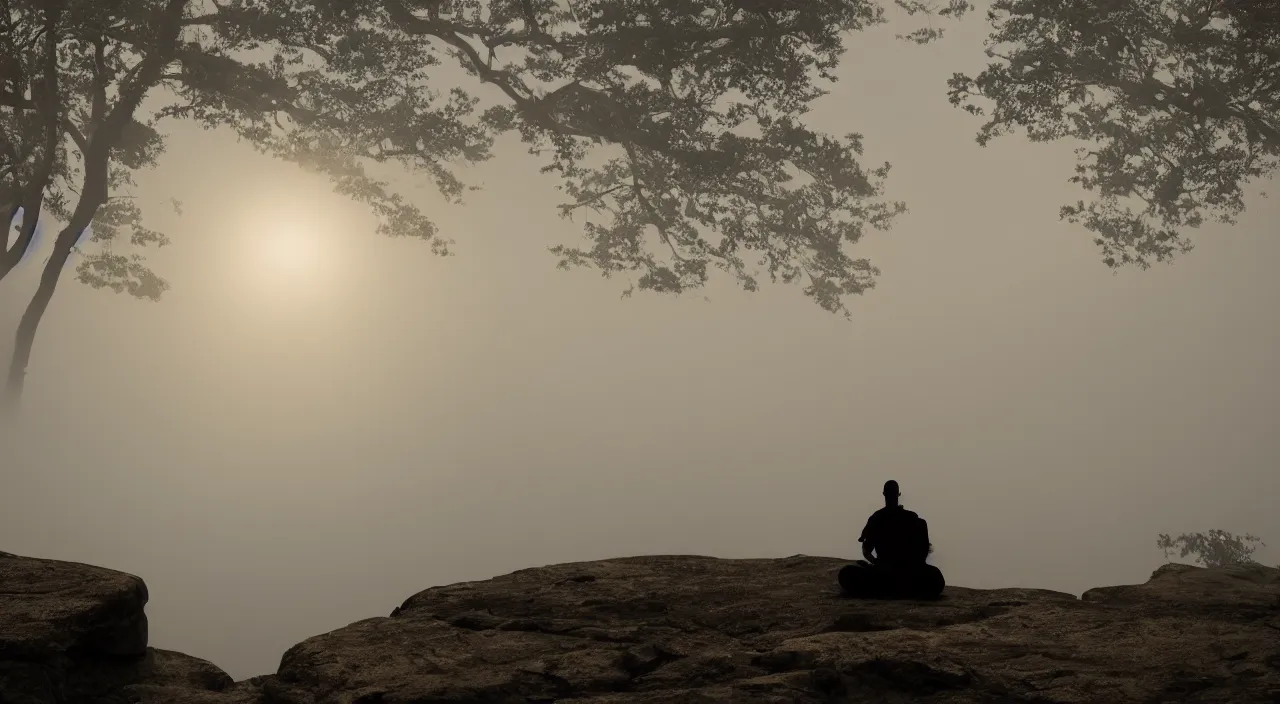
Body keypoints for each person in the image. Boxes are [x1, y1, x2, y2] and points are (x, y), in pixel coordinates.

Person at [838, 480, 945, 599]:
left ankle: (881, 588)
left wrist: (875, 563)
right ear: (898, 494)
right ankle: (907, 589)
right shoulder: (912, 518)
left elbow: (866, 550)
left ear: (884, 494)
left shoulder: (876, 518)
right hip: (909, 575)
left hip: (885, 575)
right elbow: (924, 551)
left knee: (847, 573)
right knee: (935, 578)